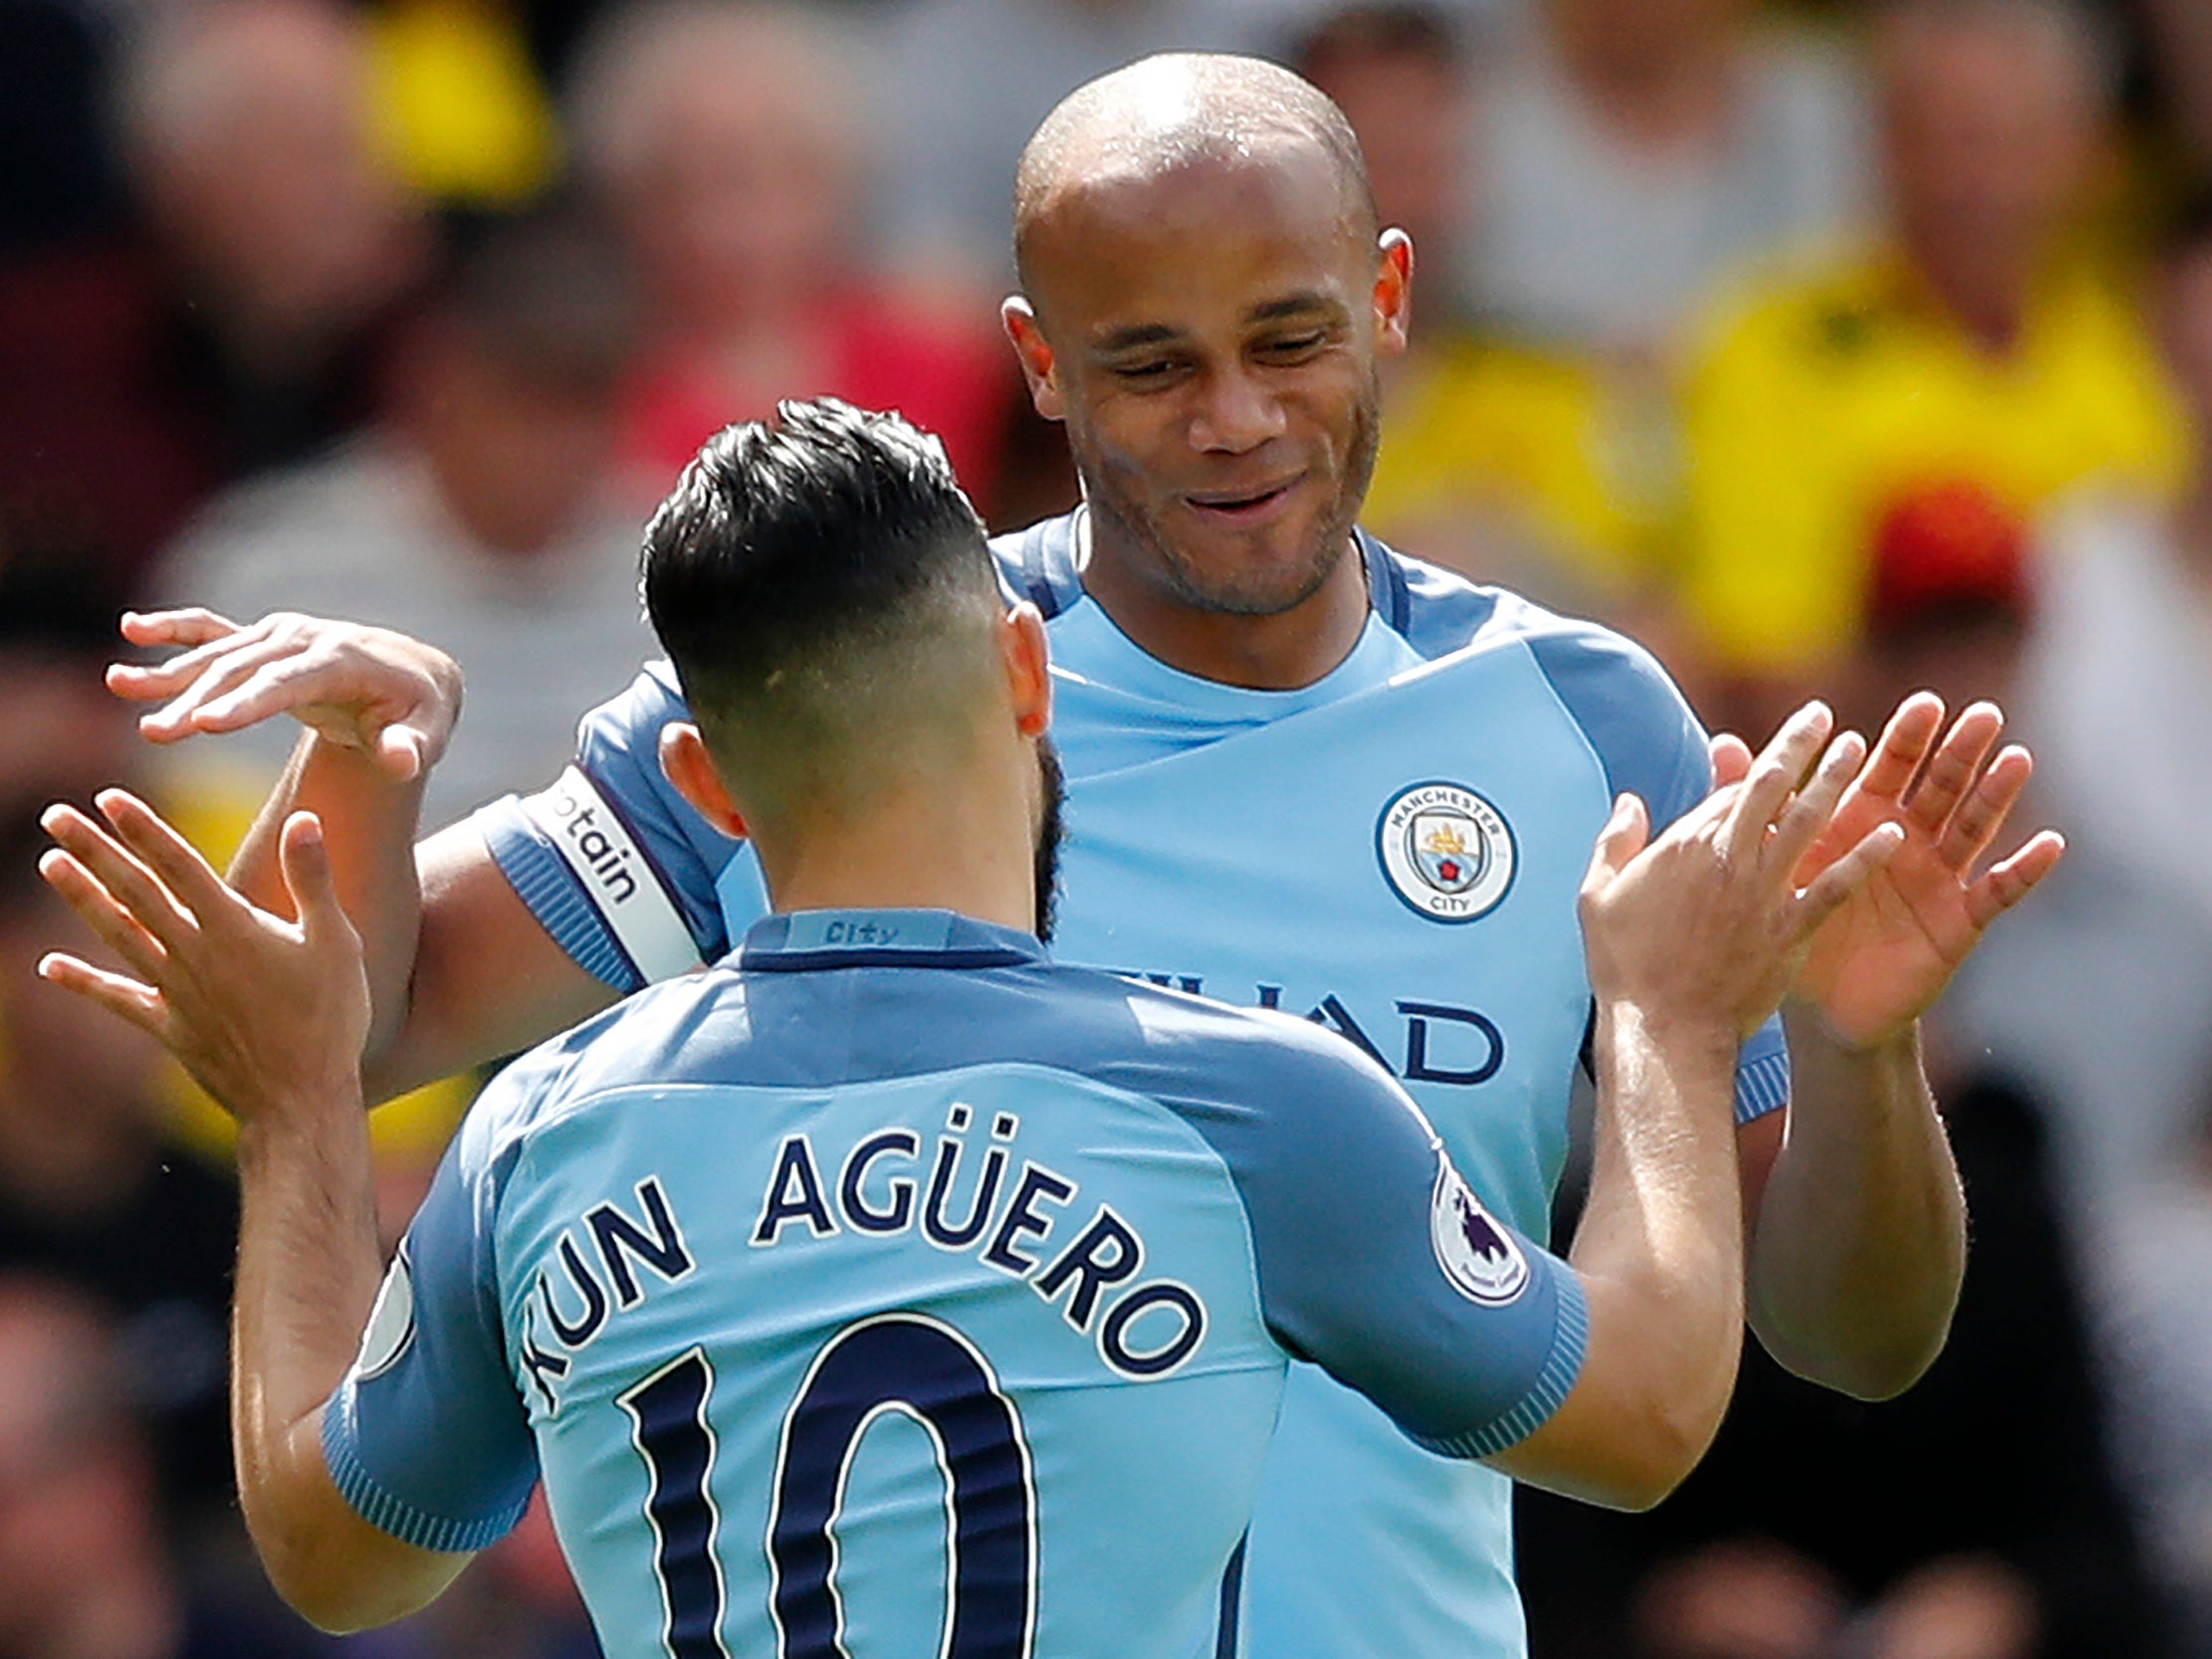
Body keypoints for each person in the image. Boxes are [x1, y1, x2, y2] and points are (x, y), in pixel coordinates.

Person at [112, 56, 2062, 1659]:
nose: (1233, 422)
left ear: (1388, 297)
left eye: (1287, 341)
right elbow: (357, 1020)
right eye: (1150, 365)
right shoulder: (879, 675)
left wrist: (1865, 1049)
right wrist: (357, 772)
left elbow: (1846, 1332)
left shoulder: (1584, 726)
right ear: (1038, 362)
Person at [38, 401, 1895, 1654]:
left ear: (707, 783)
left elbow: (332, 1547)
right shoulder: (1246, 1108)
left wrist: (292, 1109)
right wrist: (1661, 1017)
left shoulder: (532, 1137)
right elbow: (1644, 1414)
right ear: (1027, 671)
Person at [1676, 0, 2186, 722]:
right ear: (1881, 145)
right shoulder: (1778, 348)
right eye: (1939, 139)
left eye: (2006, 144)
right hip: (1892, 790)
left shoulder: (2143, 352)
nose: (1971, 184)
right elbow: (1768, 672)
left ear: (2088, 156)